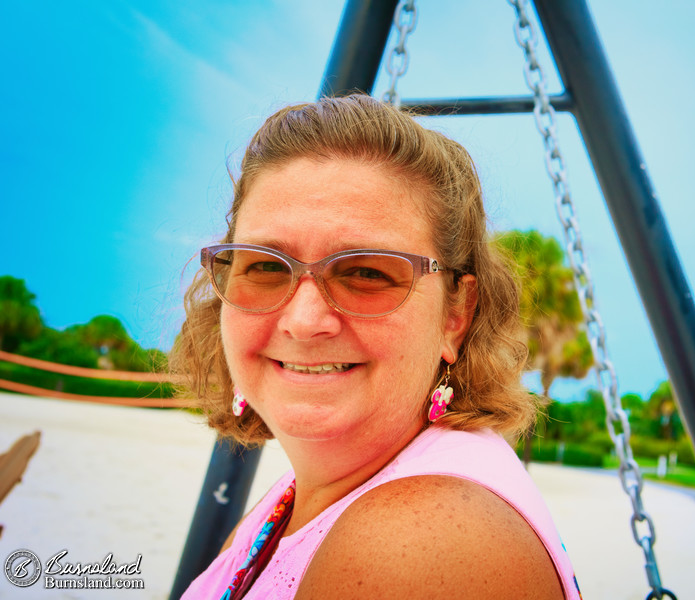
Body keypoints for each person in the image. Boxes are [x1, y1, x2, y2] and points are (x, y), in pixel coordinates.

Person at [172, 94, 581, 599]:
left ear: (456, 314)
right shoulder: (307, 496)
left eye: (366, 272)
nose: (304, 322)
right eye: (266, 266)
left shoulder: (423, 540)